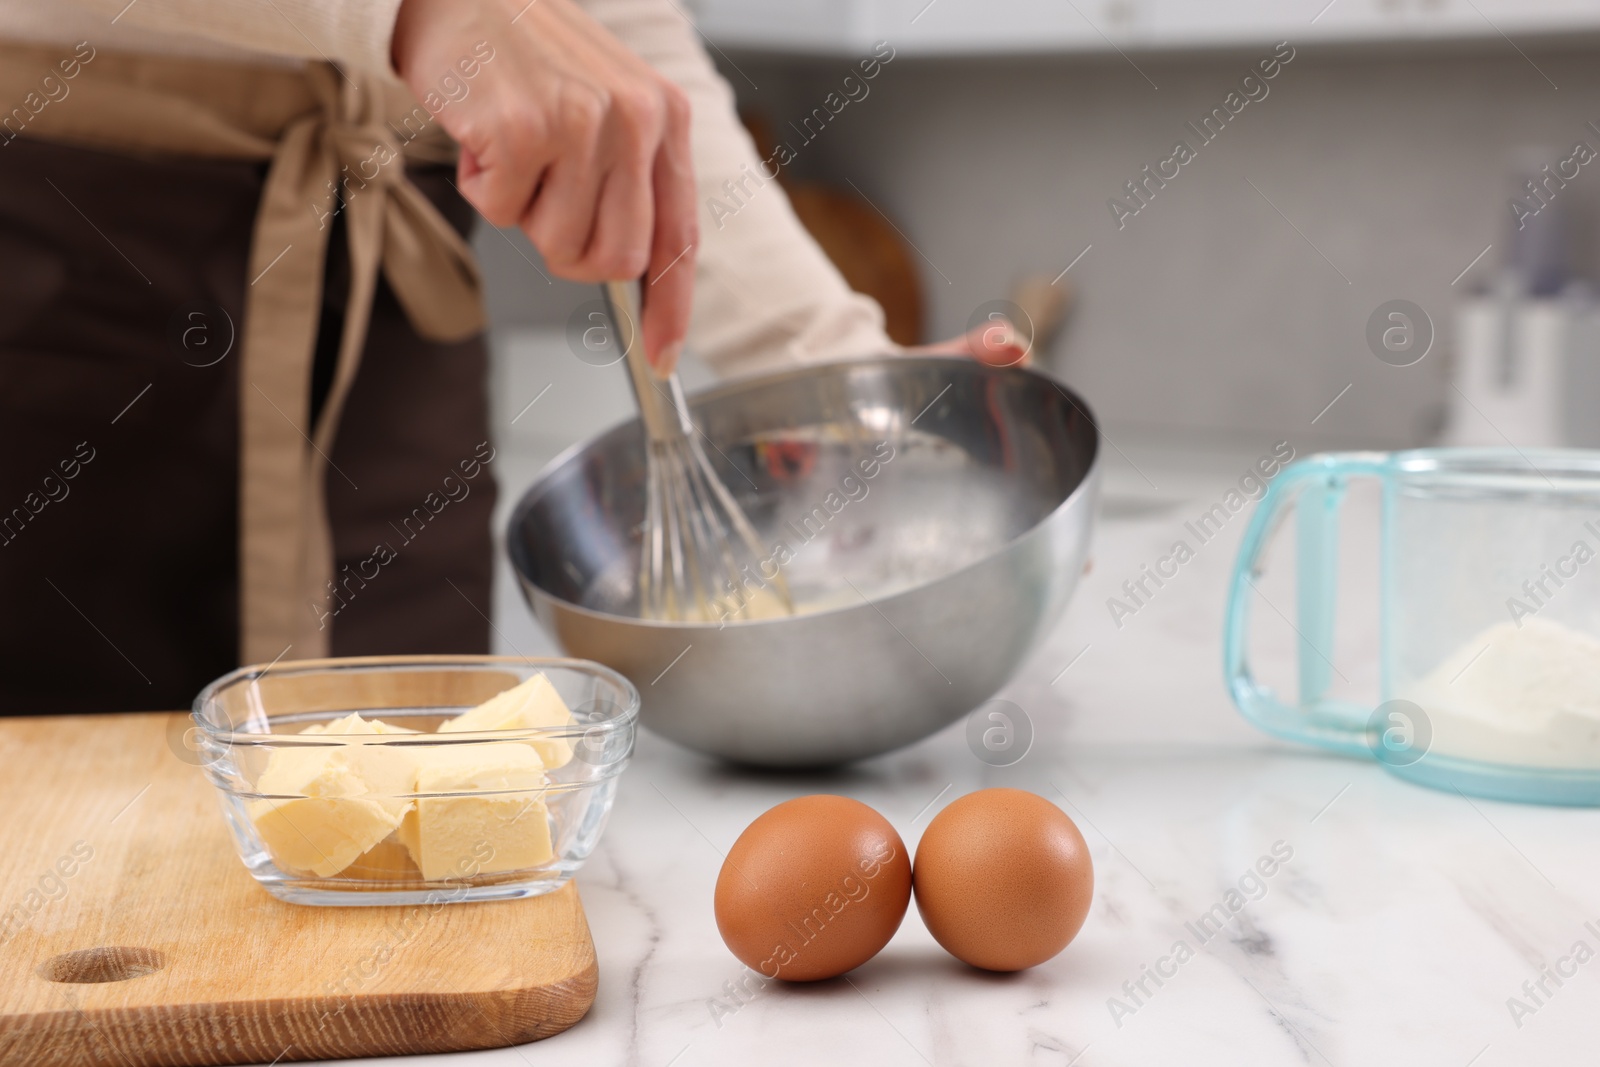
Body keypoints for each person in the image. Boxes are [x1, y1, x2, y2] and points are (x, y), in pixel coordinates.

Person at [0, 0, 1025, 715]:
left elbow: (605, 42)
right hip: (66, 255)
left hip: (388, 309)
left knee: (412, 851)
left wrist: (825, 361)